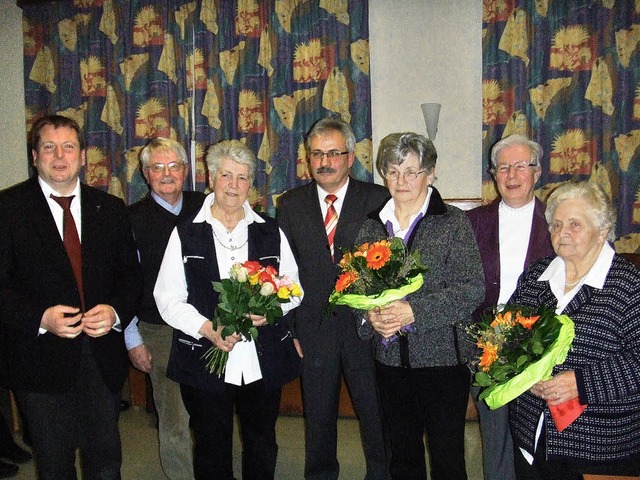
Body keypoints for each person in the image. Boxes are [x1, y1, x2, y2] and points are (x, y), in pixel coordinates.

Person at [0, 114, 141, 479]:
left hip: (101, 357)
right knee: (55, 464)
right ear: (35, 156)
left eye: (68, 147)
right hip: (39, 362)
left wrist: (114, 312)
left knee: (106, 461)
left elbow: (130, 277)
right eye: (49, 147)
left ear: (82, 157)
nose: (59, 156)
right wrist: (41, 318)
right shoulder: (8, 209)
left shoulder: (109, 209)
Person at [153, 139, 303, 480]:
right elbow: (168, 298)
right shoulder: (185, 233)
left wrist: (272, 309)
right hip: (205, 355)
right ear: (211, 178)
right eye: (226, 176)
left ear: (251, 184)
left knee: (262, 440)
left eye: (242, 177)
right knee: (210, 445)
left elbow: (294, 288)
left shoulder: (270, 230)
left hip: (261, 358)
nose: (233, 185)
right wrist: (207, 327)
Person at [359, 132, 484, 480]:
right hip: (389, 362)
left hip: (442, 364)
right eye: (394, 171)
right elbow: (352, 287)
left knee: (447, 459)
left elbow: (471, 289)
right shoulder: (371, 226)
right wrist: (369, 316)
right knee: (402, 457)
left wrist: (414, 312)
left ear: (430, 173)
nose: (402, 181)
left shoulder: (453, 222)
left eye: (411, 172)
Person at [278, 117, 390, 479]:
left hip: (366, 330)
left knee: (375, 414)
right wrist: (291, 327)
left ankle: (380, 474)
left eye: (333, 153)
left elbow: (391, 264)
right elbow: (285, 270)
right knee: (319, 416)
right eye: (316, 154)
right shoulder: (290, 204)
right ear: (307, 158)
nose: (324, 162)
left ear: (351, 156)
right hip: (313, 328)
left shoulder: (377, 199)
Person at [508, 181, 640, 479]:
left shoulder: (629, 284)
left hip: (599, 449)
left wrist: (580, 382)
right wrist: (521, 376)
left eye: (575, 224)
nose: (561, 232)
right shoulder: (537, 276)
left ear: (602, 232)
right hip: (531, 436)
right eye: (556, 224)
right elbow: (507, 338)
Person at [467, 134, 554, 480]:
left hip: (544, 343)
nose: (512, 174)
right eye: (503, 167)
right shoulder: (473, 222)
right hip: (487, 345)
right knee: (496, 436)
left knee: (542, 435)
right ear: (494, 174)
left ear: (537, 172)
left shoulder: (557, 219)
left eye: (521, 165)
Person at [125, 137, 204, 480]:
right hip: (159, 332)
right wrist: (132, 339)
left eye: (174, 166)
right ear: (145, 173)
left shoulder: (207, 207)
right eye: (157, 167)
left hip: (208, 327)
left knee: (211, 412)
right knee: (174, 416)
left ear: (186, 171)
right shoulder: (130, 220)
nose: (166, 174)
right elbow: (123, 284)